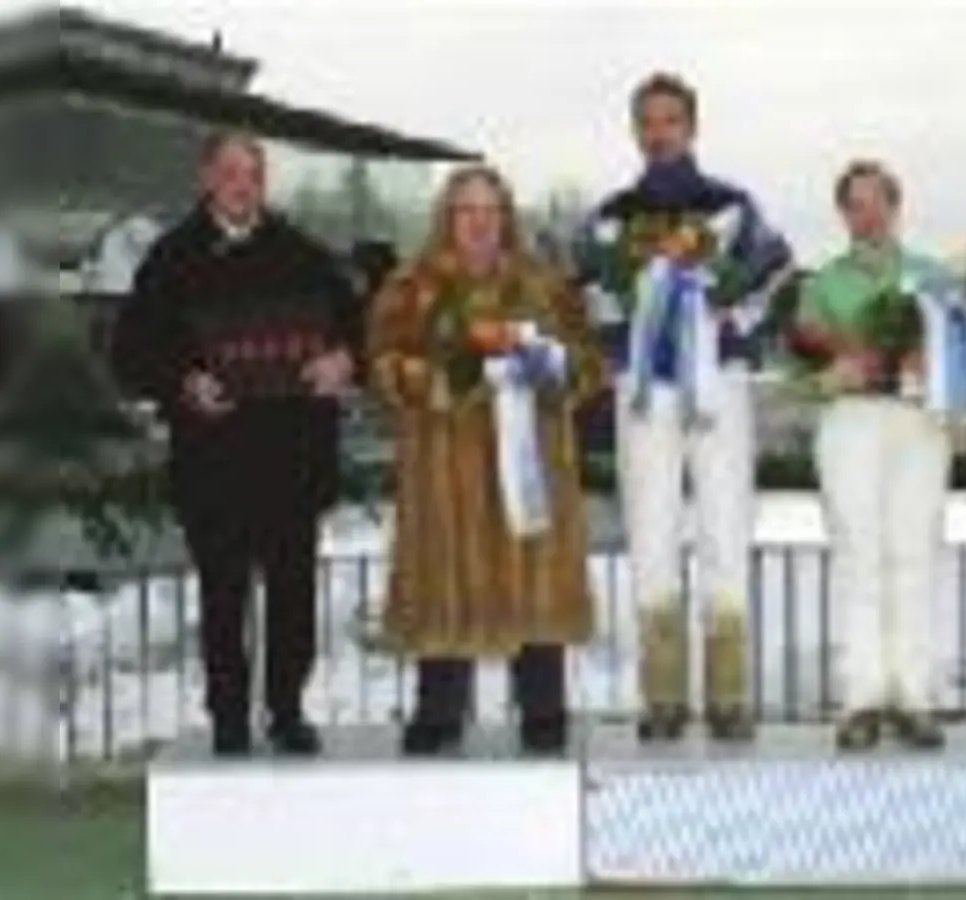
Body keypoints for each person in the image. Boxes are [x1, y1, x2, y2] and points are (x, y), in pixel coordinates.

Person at [110, 131, 359, 757]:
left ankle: (286, 710)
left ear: (263, 182)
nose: (242, 185)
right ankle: (227, 715)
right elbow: (130, 351)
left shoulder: (305, 253)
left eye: (253, 174)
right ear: (206, 179)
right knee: (222, 597)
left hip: (292, 459)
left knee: (294, 595)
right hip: (212, 462)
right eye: (229, 173)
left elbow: (357, 327)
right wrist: (182, 381)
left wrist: (345, 360)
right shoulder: (170, 259)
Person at [574, 72, 793, 742]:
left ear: (692, 126)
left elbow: (775, 276)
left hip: (717, 380)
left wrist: (726, 320)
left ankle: (728, 697)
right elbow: (586, 293)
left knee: (726, 524)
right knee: (650, 529)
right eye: (648, 120)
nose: (660, 131)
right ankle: (662, 697)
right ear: (635, 130)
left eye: (671, 119)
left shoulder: (732, 207)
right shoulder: (610, 218)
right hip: (642, 384)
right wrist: (625, 336)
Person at [367, 165, 605, 756]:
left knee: (535, 581)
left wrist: (545, 362)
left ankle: (544, 711)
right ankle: (439, 711)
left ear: (507, 217)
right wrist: (457, 371)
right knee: (445, 580)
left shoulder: (546, 286)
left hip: (531, 467)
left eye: (490, 210)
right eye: (466, 210)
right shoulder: (410, 286)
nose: (479, 223)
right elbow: (384, 368)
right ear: (447, 218)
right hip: (444, 473)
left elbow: (590, 369)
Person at [786, 161, 963, 751]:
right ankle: (861, 699)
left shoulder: (937, 277)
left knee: (914, 556)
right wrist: (836, 368)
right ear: (843, 215)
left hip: (918, 423)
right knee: (859, 558)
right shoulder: (821, 285)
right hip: (851, 421)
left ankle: (913, 698)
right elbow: (799, 375)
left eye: (876, 201)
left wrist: (932, 363)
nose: (867, 214)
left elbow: (963, 354)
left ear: (896, 204)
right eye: (854, 205)